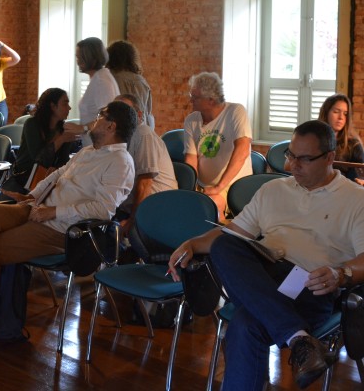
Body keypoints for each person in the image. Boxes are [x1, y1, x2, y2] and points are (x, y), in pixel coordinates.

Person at [0, 100, 138, 353]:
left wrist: (54, 211)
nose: (94, 120)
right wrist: (33, 196)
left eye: (99, 114)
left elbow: (102, 211)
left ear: (110, 125)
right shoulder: (89, 151)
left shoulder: (120, 162)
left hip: (62, 229)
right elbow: (56, 175)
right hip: (38, 209)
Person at [169, 120, 364, 390]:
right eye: (290, 156)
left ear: (330, 157)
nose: (291, 166)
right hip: (263, 276)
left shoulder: (355, 199)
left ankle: (296, 337)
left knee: (246, 324)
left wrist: (340, 274)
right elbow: (235, 232)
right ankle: (299, 339)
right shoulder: (274, 190)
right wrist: (193, 243)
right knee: (224, 244)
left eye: (304, 159)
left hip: (309, 283)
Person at [183, 72, 252, 216]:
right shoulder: (191, 120)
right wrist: (191, 187)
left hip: (231, 185)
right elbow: (191, 158)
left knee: (209, 208)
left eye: (195, 97)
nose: (191, 101)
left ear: (211, 100)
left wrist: (219, 187)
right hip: (203, 186)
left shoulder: (236, 111)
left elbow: (243, 149)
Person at [114, 94, 177, 235]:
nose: (118, 116)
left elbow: (145, 183)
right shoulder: (122, 137)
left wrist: (132, 222)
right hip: (132, 207)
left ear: (139, 115)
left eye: (125, 111)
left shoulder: (142, 133)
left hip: (155, 208)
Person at [0, 88, 78, 195]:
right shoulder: (32, 124)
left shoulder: (63, 129)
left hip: (48, 180)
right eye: (65, 104)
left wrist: (56, 168)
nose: (69, 108)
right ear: (53, 106)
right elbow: (37, 158)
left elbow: (63, 160)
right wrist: (62, 139)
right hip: (23, 179)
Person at [64, 37, 120, 146]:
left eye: (80, 57)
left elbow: (108, 117)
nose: (78, 61)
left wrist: (82, 128)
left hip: (101, 147)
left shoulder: (101, 81)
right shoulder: (98, 78)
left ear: (91, 58)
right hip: (93, 145)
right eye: (77, 57)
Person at [107, 40, 155, 129]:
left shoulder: (112, 79)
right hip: (141, 128)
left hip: (120, 130)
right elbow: (148, 112)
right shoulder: (142, 81)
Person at [318, 93, 364, 182]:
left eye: (345, 114)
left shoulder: (354, 145)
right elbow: (288, 165)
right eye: (336, 112)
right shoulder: (312, 138)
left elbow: (361, 175)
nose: (341, 117)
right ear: (326, 113)